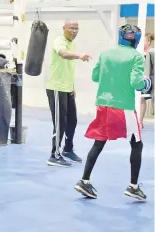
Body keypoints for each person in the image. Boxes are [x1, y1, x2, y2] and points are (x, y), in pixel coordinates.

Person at [74, 24, 151, 201]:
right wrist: (146, 83)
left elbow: (95, 77)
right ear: (136, 39)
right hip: (123, 107)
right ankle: (133, 187)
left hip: (103, 105)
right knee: (136, 144)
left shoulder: (105, 53)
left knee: (99, 143)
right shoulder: (136, 56)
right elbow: (135, 82)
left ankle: (84, 181)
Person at [45, 20, 91, 167]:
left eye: (77, 29)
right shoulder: (59, 41)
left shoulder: (72, 44)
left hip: (67, 88)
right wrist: (79, 55)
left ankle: (67, 149)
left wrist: (72, 87)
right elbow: (63, 54)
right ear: (64, 28)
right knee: (60, 123)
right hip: (56, 88)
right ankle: (54, 155)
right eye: (71, 28)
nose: (74, 31)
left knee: (72, 120)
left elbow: (68, 68)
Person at [139, 32, 154, 128]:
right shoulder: (139, 53)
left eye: (143, 40)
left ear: (148, 42)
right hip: (141, 79)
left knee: (143, 98)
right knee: (141, 99)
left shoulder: (152, 53)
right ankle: (140, 121)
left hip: (150, 80)